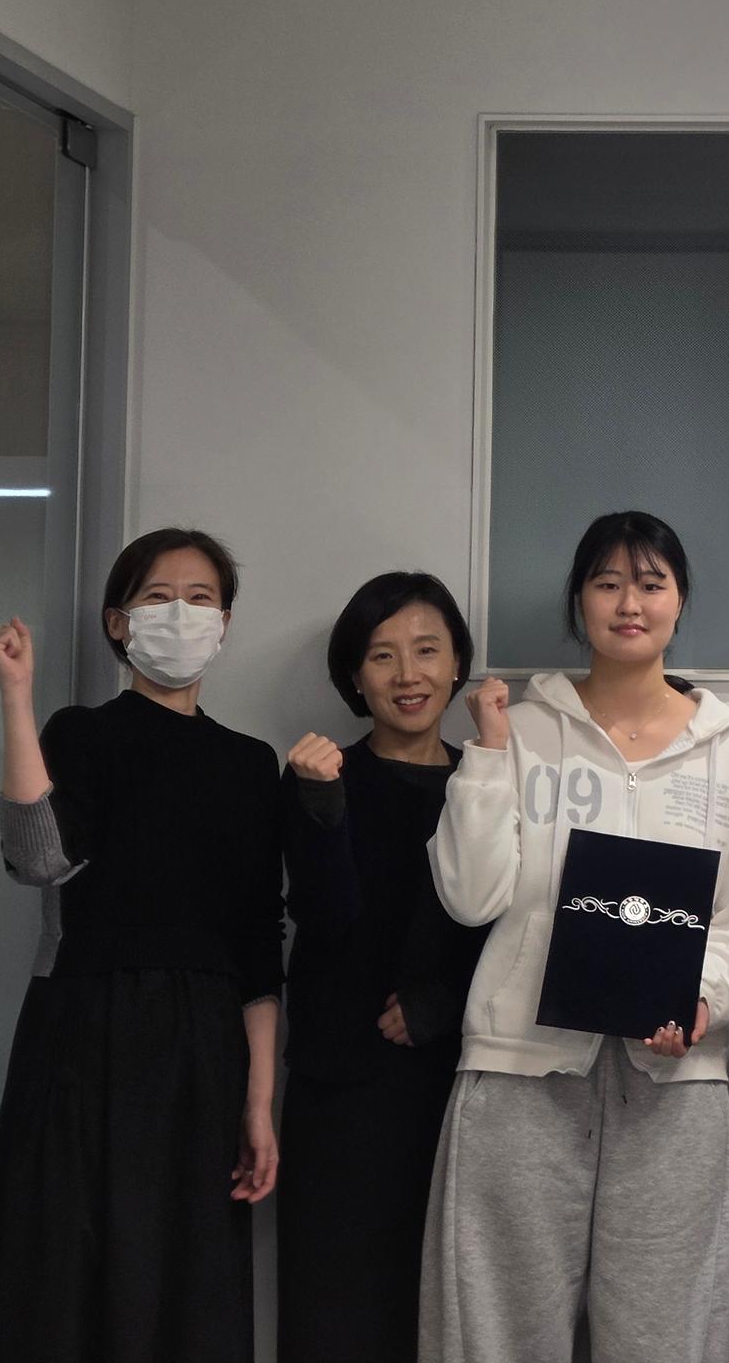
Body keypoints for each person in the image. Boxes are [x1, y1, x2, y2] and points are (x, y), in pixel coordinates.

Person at [419, 512, 729, 1363]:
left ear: (680, 601)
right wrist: (487, 755)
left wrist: (705, 998)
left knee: (668, 1338)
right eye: (608, 583)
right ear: (578, 599)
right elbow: (471, 898)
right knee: (496, 1333)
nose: (630, 604)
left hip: (674, 1081)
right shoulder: (523, 730)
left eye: (651, 584)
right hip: (520, 1068)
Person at [0, 528, 281, 1363]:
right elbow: (38, 860)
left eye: (201, 599)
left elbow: (259, 945)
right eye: (157, 597)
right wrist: (16, 698)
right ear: (119, 621)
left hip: (203, 1048)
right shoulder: (83, 732)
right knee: (64, 1269)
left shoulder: (251, 764)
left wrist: (258, 1102)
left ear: (224, 623)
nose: (181, 613)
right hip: (85, 1031)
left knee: (185, 1280)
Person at [278, 571, 489, 1363]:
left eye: (428, 650)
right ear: (354, 676)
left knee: (443, 1311)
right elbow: (326, 919)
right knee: (334, 1310)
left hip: (461, 1082)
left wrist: (440, 1007)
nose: (408, 675)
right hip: (341, 1086)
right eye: (382, 655)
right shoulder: (320, 775)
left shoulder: (487, 781)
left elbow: (516, 932)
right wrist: (322, 806)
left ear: (458, 663)